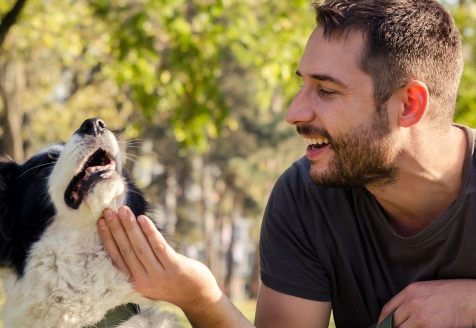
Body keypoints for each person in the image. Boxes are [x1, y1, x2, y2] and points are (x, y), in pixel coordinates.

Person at [97, 0, 476, 327]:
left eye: (326, 90)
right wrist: (199, 296)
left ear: (409, 105)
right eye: (303, 85)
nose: (294, 113)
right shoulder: (305, 196)